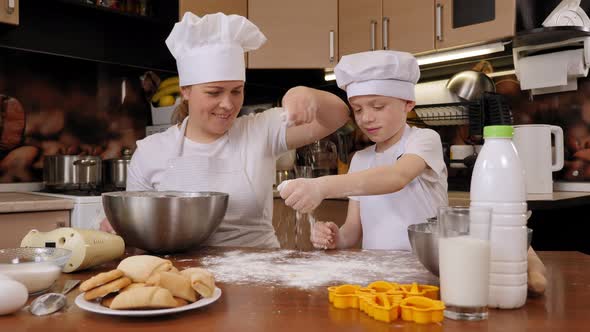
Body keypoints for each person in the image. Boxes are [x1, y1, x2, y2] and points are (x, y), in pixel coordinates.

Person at [100, 12, 350, 248]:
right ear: (186, 90)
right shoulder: (151, 151)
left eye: (236, 91)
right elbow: (135, 232)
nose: (228, 104)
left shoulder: (260, 130)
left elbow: (338, 115)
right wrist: (117, 229)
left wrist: (306, 94)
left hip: (259, 273)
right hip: (181, 278)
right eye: (214, 92)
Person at [278, 50, 448, 250]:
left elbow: (396, 177)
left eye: (377, 107)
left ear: (408, 104)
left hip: (425, 266)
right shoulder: (360, 159)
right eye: (358, 109)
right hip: (377, 275)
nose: (366, 118)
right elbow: (352, 231)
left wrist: (321, 186)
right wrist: (335, 237)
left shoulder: (423, 140)